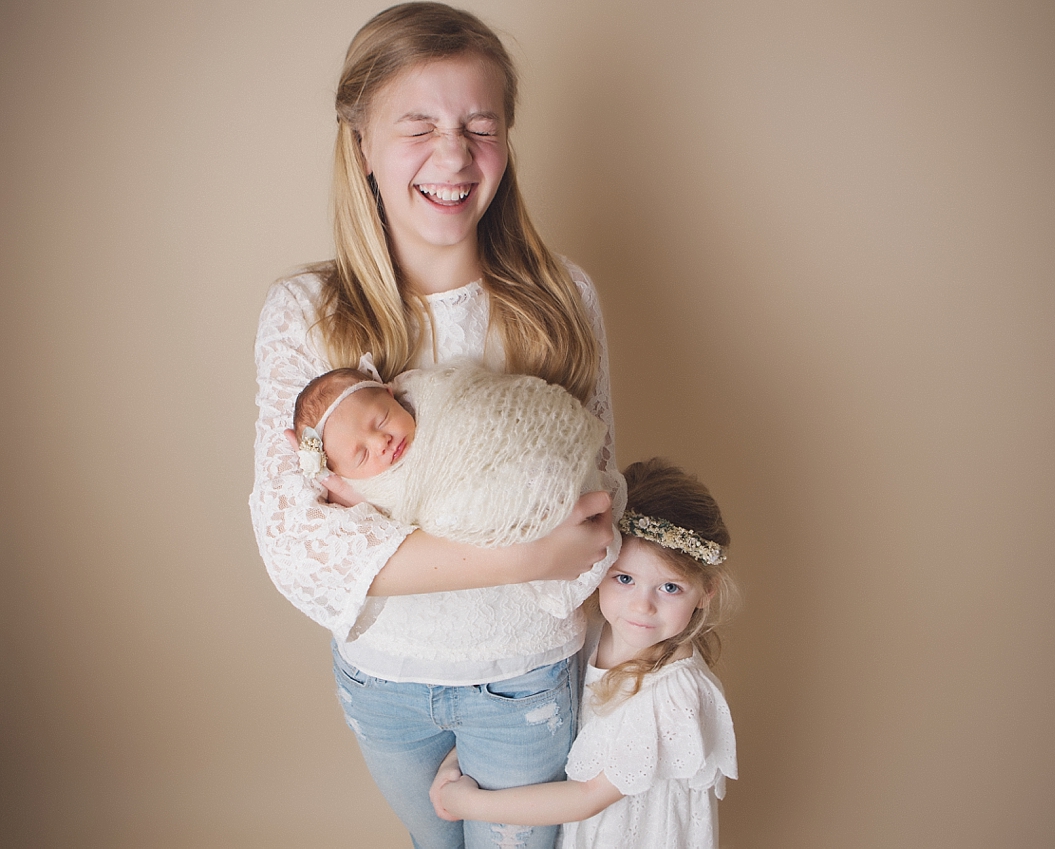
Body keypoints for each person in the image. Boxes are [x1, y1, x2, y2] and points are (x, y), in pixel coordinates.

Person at [248, 4, 623, 847]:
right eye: (418, 126)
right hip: (382, 686)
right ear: (361, 146)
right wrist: (523, 555)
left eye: (480, 127)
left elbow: (597, 505)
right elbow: (295, 543)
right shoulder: (304, 316)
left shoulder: (561, 302)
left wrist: (561, 557)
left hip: (524, 681)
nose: (453, 155)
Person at [431, 459, 738, 849]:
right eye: (625, 579)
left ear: (706, 591)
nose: (642, 606)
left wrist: (470, 804)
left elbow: (588, 796)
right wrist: (459, 758)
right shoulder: (588, 631)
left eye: (670, 588)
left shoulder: (674, 694)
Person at [290, 361, 611, 626]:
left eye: (382, 420)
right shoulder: (371, 492)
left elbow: (490, 408)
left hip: (538, 463)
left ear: (390, 393)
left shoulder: (432, 395)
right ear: (345, 475)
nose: (380, 442)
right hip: (511, 532)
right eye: (361, 455)